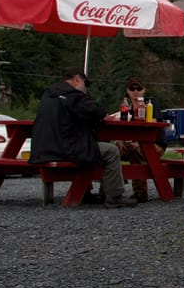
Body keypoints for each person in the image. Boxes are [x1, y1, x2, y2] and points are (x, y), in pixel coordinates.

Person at [30, 67, 138, 208]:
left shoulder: (48, 95)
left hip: (43, 150)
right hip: (65, 149)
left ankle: (86, 192)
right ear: (77, 79)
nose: (85, 89)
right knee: (110, 151)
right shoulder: (74, 96)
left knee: (90, 147)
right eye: (84, 84)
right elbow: (96, 110)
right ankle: (114, 197)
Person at [111, 76, 166, 202]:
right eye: (132, 88)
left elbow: (153, 123)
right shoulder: (126, 108)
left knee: (137, 148)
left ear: (143, 90)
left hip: (155, 144)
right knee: (112, 149)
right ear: (128, 91)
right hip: (134, 142)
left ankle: (140, 192)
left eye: (138, 88)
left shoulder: (151, 103)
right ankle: (108, 190)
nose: (136, 91)